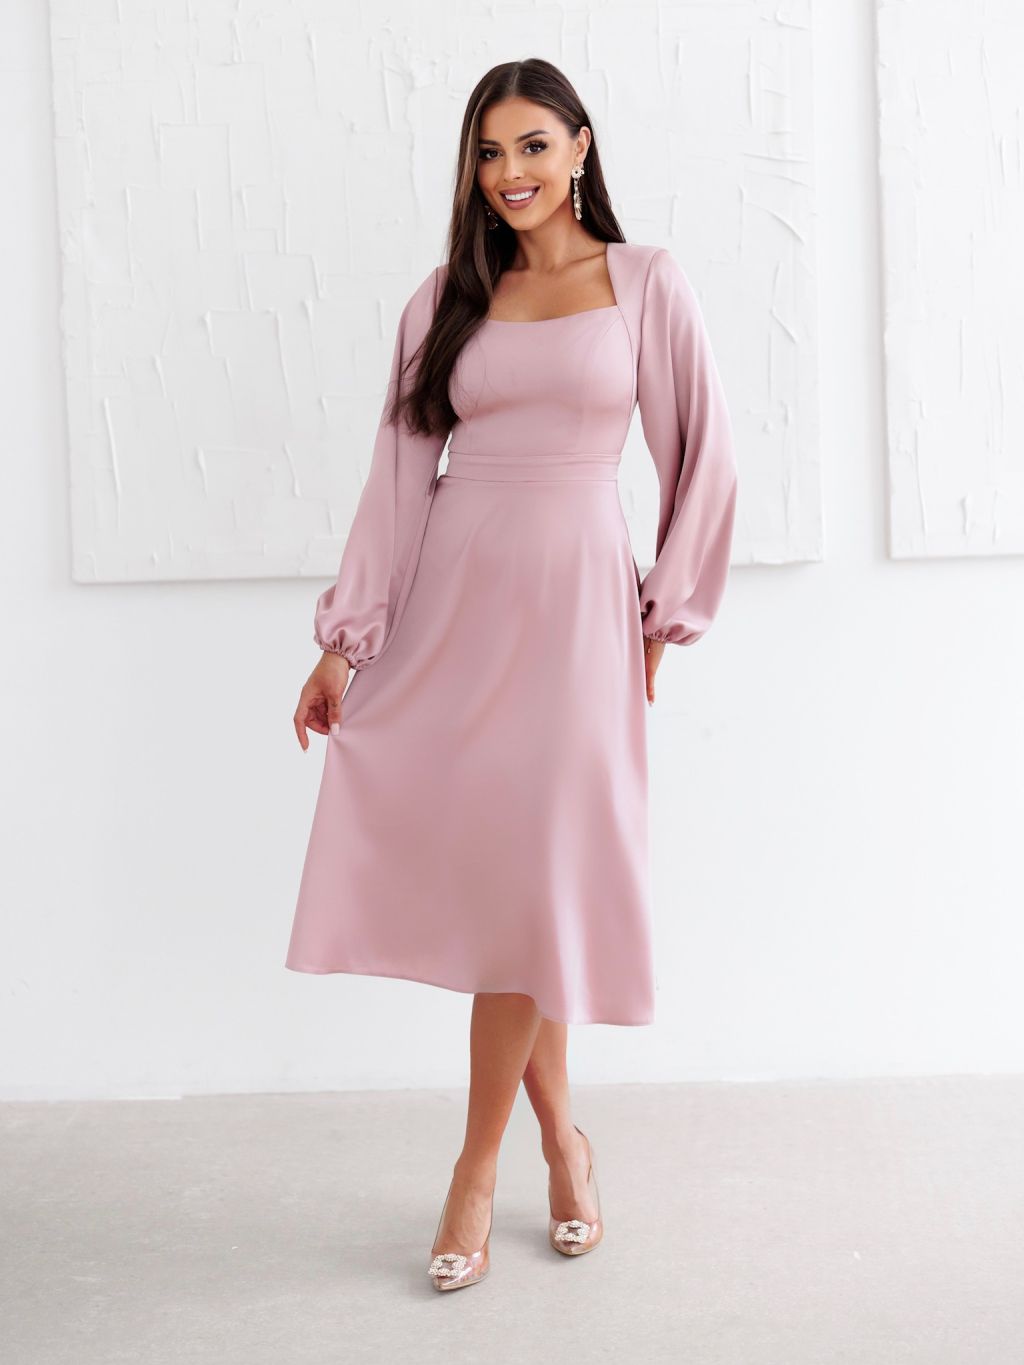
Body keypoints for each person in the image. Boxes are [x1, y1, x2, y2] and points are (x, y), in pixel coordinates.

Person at [287, 57, 738, 1293]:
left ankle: (475, 1171)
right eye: (489, 153)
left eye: (533, 145)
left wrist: (662, 621)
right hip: (455, 612)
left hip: (578, 615)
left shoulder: (645, 283)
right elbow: (398, 475)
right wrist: (345, 639)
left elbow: (702, 456)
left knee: (543, 883)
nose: (510, 173)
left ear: (581, 147)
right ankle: (561, 1146)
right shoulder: (446, 298)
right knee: (515, 895)